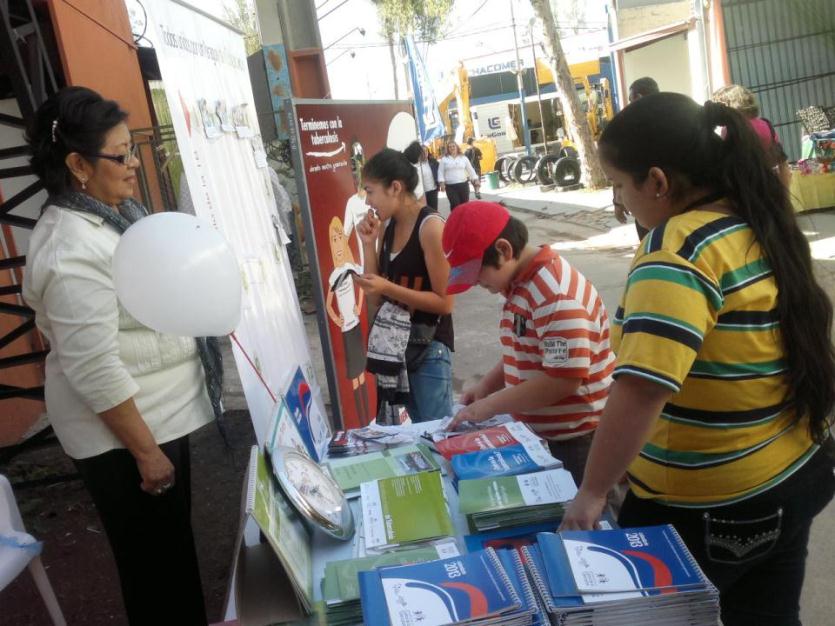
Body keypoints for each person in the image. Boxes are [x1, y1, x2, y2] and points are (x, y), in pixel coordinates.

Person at [560, 93, 835, 626]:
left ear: (658, 182)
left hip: (711, 506)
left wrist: (592, 493)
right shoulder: (754, 220)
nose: (619, 201)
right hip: (794, 471)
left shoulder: (677, 250)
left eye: (619, 185)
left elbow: (641, 389)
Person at [22, 87, 215, 624]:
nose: (133, 167)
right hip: (129, 441)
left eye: (132, 151)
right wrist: (147, 453)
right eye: (120, 155)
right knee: (155, 573)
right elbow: (94, 366)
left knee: (172, 560)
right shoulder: (70, 248)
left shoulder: (113, 217)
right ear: (78, 165)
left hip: (157, 422)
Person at [443, 201, 615, 484]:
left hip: (577, 440)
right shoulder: (520, 285)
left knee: (580, 519)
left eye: (478, 275)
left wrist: (490, 406)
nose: (476, 284)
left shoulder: (554, 295)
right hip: (544, 434)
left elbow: (563, 380)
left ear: (504, 250)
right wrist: (486, 386)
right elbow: (526, 348)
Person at [355, 148, 454, 422]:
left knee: (437, 435)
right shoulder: (387, 227)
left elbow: (445, 302)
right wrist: (368, 245)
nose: (368, 202)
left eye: (370, 191)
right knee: (416, 437)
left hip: (429, 348)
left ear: (395, 187)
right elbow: (375, 298)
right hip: (398, 348)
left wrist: (388, 289)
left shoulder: (431, 227)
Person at [326, 216, 371, 425]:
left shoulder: (351, 268)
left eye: (338, 239)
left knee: (362, 370)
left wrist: (358, 307)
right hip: (346, 328)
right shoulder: (334, 275)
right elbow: (328, 304)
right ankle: (360, 420)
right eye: (333, 241)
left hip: (356, 325)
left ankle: (368, 415)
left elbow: (362, 286)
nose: (336, 245)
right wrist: (338, 318)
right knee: (354, 374)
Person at [711, 84, 791, 187]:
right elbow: (782, 161)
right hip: (768, 183)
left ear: (728, 107)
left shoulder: (729, 130)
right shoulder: (766, 124)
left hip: (745, 187)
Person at [614, 77, 660, 240]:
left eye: (630, 99)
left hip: (645, 201)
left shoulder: (630, 128)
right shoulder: (671, 119)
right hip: (673, 201)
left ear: (639, 98)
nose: (629, 104)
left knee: (652, 248)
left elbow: (619, 168)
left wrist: (618, 202)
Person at [438, 140, 479, 210]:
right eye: (450, 147)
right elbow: (440, 172)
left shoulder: (463, 158)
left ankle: (464, 220)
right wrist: (442, 184)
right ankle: (455, 219)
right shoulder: (444, 159)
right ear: (448, 149)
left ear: (457, 147)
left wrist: (476, 179)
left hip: (463, 185)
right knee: (455, 204)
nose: (452, 148)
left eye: (453, 146)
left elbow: (470, 170)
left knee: (465, 204)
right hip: (450, 187)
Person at [404, 140, 439, 211]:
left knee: (433, 210)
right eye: (422, 152)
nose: (424, 153)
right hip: (419, 195)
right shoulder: (413, 167)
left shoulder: (432, 162)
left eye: (426, 151)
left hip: (431, 190)